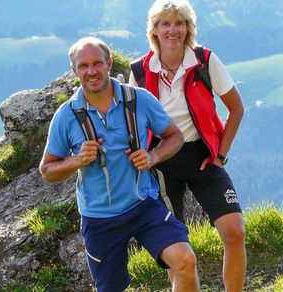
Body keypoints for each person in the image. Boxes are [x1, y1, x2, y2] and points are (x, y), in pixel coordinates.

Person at [40, 37, 200, 292]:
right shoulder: (66, 116)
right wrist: (76, 160)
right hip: (99, 218)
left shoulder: (139, 100)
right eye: (83, 66)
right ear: (74, 71)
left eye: (97, 63)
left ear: (109, 63)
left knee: (185, 260)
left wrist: (153, 157)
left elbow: (175, 137)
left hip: (143, 206)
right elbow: (47, 171)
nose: (91, 71)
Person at [129, 0, 247, 291]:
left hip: (203, 157)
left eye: (179, 23)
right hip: (162, 163)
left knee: (235, 232)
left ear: (188, 28)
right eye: (165, 23)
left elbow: (236, 108)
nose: (173, 30)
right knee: (176, 245)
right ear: (154, 30)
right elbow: (131, 124)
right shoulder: (140, 72)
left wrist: (221, 154)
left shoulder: (205, 61)